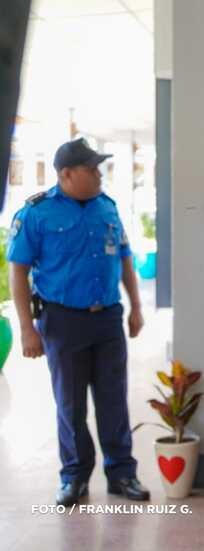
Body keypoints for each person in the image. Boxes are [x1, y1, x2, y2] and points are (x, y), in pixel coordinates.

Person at [7, 137, 149, 506]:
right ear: (67, 174)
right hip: (62, 321)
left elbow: (125, 259)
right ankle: (74, 477)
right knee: (70, 404)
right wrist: (27, 328)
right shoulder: (37, 213)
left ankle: (122, 474)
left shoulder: (108, 208)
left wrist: (135, 306)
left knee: (114, 400)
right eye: (92, 169)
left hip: (108, 320)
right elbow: (18, 272)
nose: (99, 175)